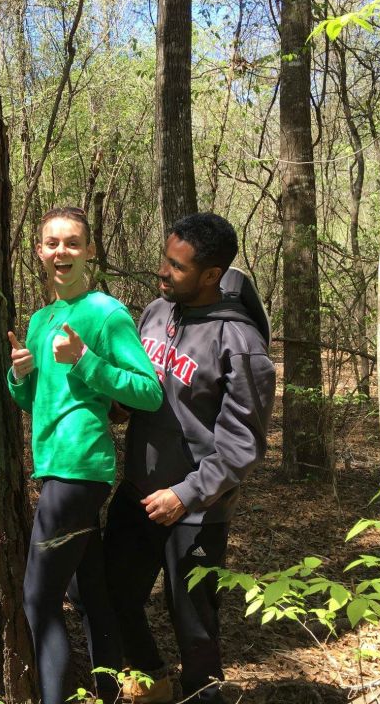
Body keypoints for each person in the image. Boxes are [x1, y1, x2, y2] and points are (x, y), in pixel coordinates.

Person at [103, 213, 275, 704]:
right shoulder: (156, 312)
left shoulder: (239, 343)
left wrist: (185, 495)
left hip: (197, 510)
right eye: (164, 259)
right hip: (138, 489)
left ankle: (204, 694)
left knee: (193, 620)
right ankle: (153, 680)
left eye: (176, 267)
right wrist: (115, 402)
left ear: (211, 275)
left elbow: (242, 444)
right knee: (114, 593)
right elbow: (138, 388)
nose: (163, 272)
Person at [7, 206, 163, 704]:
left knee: (38, 600)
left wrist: (87, 360)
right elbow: (34, 401)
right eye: (52, 243)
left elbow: (148, 391)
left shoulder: (106, 313)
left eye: (72, 243)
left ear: (90, 250)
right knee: (93, 593)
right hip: (53, 467)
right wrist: (20, 375)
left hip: (80, 470)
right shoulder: (41, 319)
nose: (61, 253)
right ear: (39, 250)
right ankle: (109, 693)